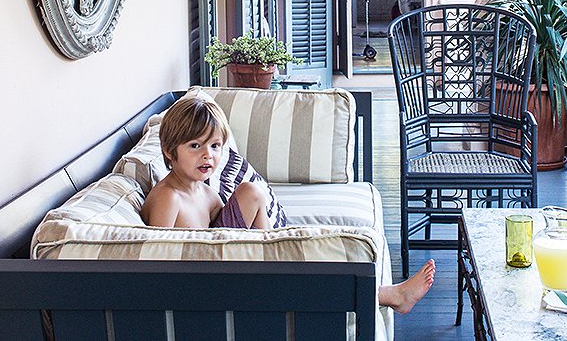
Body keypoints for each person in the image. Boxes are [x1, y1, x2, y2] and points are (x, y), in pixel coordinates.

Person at [140, 92, 435, 314]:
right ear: (168, 150)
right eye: (195, 146)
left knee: (252, 192)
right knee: (304, 284)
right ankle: (389, 296)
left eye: (215, 146)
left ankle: (279, 259)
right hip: (206, 286)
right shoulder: (168, 197)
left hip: (229, 267)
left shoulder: (205, 193)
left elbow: (236, 227)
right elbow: (154, 268)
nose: (208, 155)